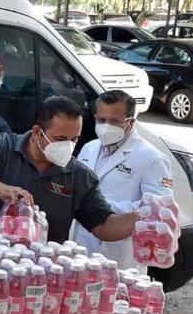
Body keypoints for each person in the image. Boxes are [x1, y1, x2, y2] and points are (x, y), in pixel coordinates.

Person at [0, 95, 136, 244]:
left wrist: (139, 218)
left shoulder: (79, 176)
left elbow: (104, 226)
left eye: (74, 140)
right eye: (60, 139)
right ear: (38, 132)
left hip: (40, 277)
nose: (68, 146)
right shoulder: (0, 148)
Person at [72, 90, 173, 270]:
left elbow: (158, 208)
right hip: (82, 245)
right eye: (101, 120)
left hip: (119, 254)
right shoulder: (89, 149)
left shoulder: (152, 158)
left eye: (114, 121)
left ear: (131, 122)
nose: (106, 126)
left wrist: (100, 208)